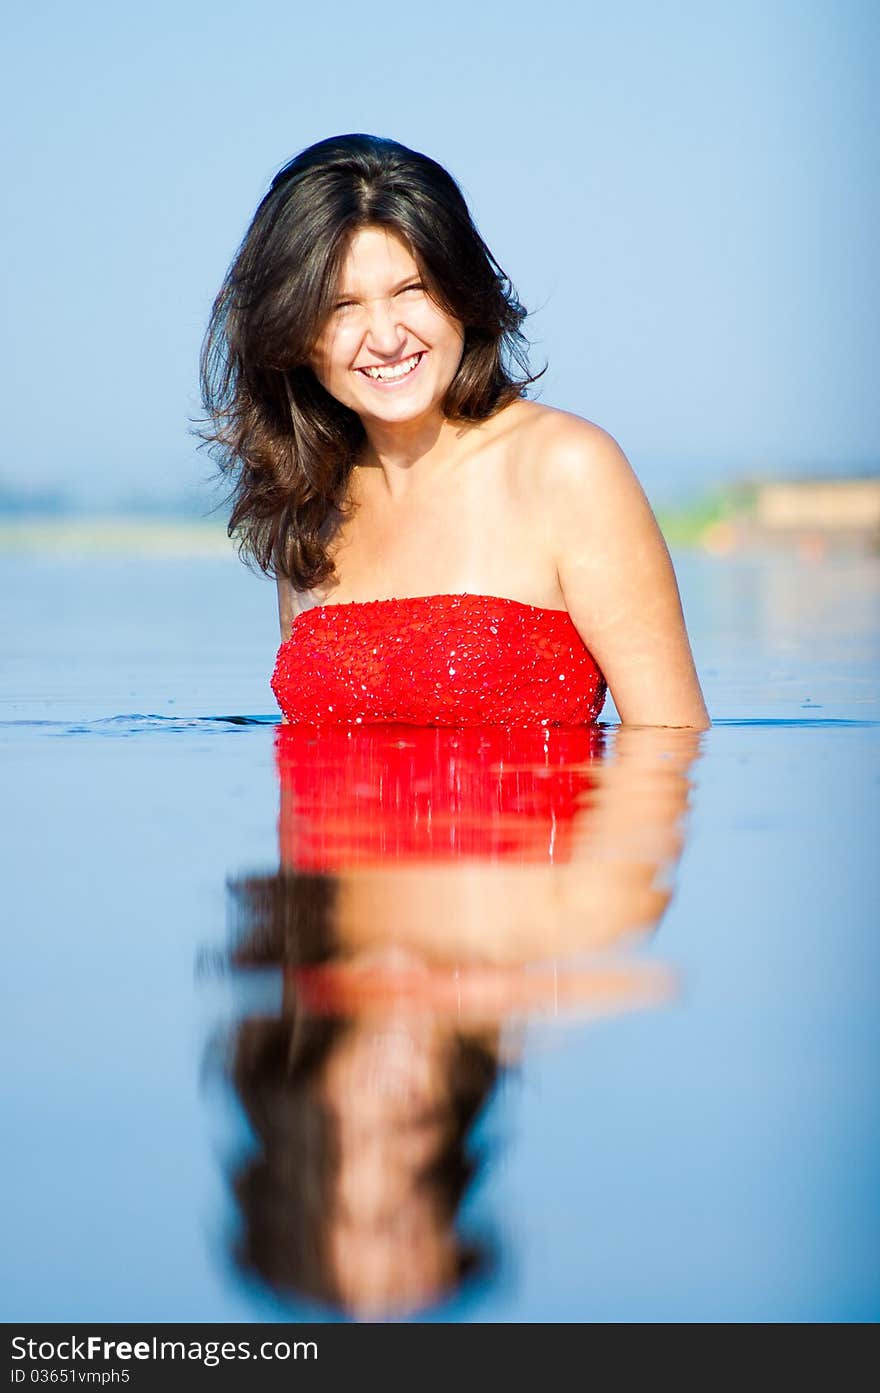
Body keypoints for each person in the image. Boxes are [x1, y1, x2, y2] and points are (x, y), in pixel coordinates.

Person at [201, 134, 710, 730]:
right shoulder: (309, 498)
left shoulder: (567, 467)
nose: (386, 337)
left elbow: (668, 747)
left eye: (411, 290)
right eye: (342, 307)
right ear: (293, 332)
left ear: (461, 292)